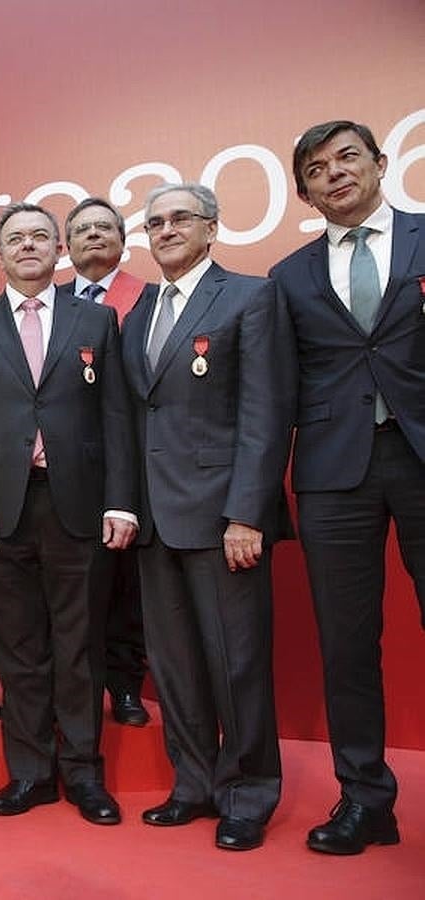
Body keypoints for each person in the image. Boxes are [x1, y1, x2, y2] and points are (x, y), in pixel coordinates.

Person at [121, 183, 294, 851]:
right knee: (176, 666)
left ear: (211, 228)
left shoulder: (250, 297)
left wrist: (247, 513)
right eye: (155, 221)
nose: (165, 230)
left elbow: (265, 412)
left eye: (180, 218)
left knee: (237, 662)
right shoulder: (140, 312)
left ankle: (249, 791)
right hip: (156, 521)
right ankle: (193, 784)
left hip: (225, 520)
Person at [270, 120, 424, 855]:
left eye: (347, 158)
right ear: (303, 191)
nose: (335, 174)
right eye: (317, 169)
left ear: (380, 163)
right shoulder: (289, 277)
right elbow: (273, 396)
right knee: (348, 646)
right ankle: (366, 800)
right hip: (334, 476)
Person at [0, 203, 137, 827]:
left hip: (79, 504)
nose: (28, 246)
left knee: (79, 645)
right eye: (15, 239)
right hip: (1, 508)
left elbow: (117, 417)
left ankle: (84, 773)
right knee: (17, 648)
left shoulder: (97, 319)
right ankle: (29, 773)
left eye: (40, 236)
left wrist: (121, 500)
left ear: (58, 249)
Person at [63, 196, 150, 727]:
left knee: (125, 585)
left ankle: (124, 686)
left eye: (104, 227)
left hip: (132, 464)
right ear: (64, 246)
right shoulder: (43, 304)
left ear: (122, 239)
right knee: (75, 595)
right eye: (81, 229)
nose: (93, 235)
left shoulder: (149, 298)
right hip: (64, 472)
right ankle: (75, 692)